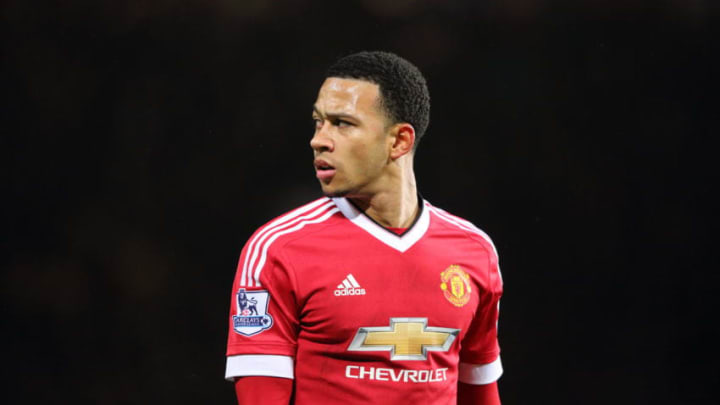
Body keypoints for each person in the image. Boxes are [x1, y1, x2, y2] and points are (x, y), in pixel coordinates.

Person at [225, 51, 504, 405]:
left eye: (342, 123)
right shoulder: (277, 250)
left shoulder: (475, 251)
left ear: (400, 140)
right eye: (318, 122)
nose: (319, 140)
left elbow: (479, 394)